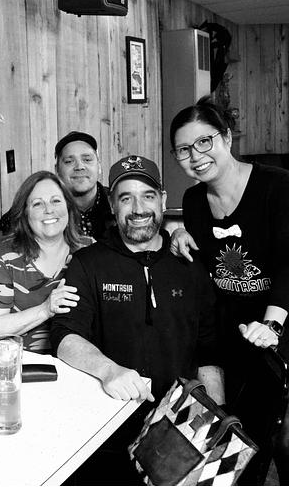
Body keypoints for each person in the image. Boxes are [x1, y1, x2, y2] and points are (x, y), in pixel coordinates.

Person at [50, 154, 223, 485]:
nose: (139, 208)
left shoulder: (190, 265)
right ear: (112, 205)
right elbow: (65, 336)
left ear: (163, 200)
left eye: (148, 196)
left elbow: (208, 351)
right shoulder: (87, 263)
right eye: (126, 198)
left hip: (176, 432)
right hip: (104, 429)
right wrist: (108, 370)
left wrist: (214, 421)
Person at [169, 97, 289, 484]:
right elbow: (207, 264)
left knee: (283, 441)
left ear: (226, 138)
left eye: (204, 141)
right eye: (183, 150)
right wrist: (179, 235)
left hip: (278, 324)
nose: (195, 156)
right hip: (231, 335)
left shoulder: (276, 186)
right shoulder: (192, 201)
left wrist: (271, 326)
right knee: (238, 440)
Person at [0, 171, 91, 350]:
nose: (49, 210)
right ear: (25, 214)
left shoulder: (90, 250)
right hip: (21, 362)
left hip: (78, 359)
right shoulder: (3, 257)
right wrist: (45, 309)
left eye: (56, 201)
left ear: (68, 207)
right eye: (37, 204)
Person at [54, 131, 114, 240]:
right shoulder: (47, 210)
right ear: (57, 170)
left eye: (87, 160)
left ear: (99, 166)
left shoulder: (117, 204)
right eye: (69, 161)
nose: (79, 166)